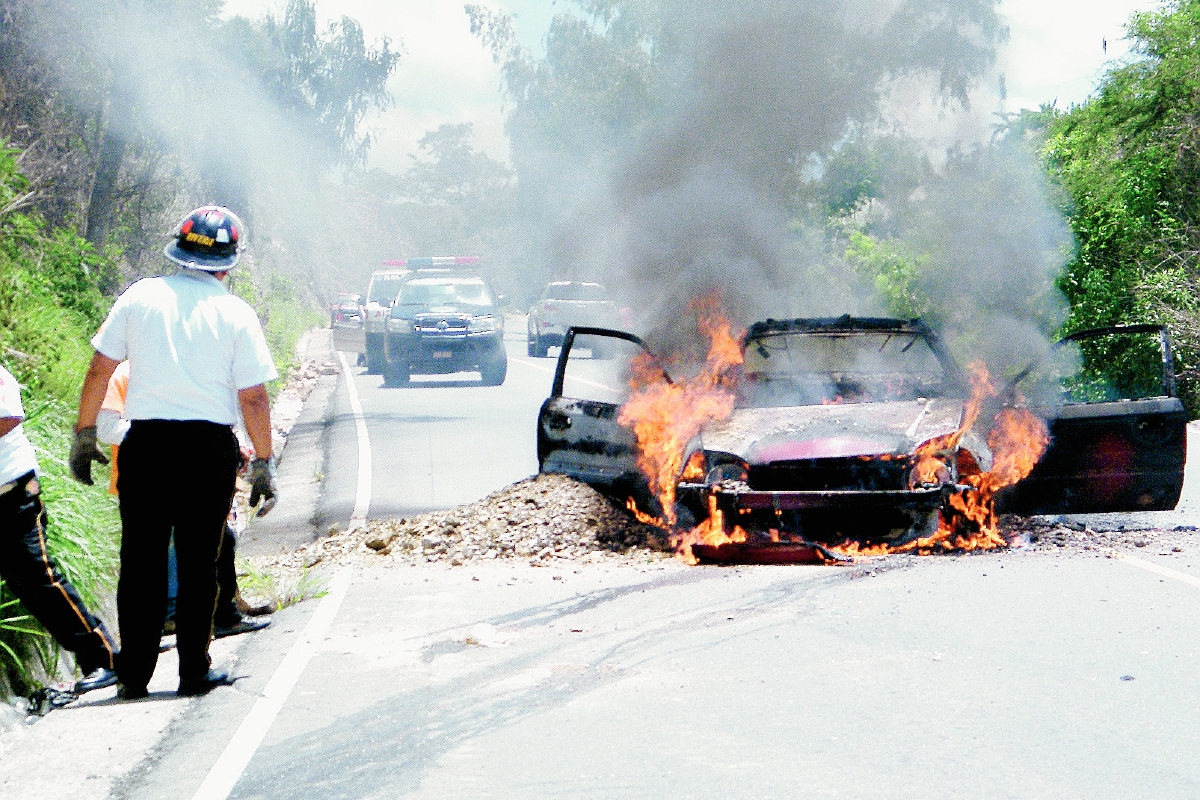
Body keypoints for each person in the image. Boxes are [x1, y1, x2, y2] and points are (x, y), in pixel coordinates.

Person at [70, 205, 279, 699]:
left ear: (178, 251)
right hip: (207, 449)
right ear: (229, 262)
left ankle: (135, 676)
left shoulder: (140, 296)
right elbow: (253, 397)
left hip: (146, 445)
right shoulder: (235, 313)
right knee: (198, 560)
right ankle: (192, 672)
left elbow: (99, 369)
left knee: (140, 561)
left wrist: (84, 434)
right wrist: (264, 463)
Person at [96, 361, 270, 639]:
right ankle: (180, 621)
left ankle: (221, 613)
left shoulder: (173, 369)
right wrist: (164, 439)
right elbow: (106, 427)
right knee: (172, 557)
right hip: (146, 482)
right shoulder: (124, 374)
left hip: (189, 474)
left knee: (218, 543)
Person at [0, 362, 118, 694]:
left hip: (13, 491)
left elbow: (8, 418)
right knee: (26, 585)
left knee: (38, 577)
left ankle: (102, 657)